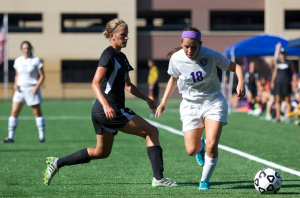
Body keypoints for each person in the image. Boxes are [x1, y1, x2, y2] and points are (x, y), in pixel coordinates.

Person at [43, 18, 179, 187]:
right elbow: (94, 82)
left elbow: (128, 85)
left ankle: (58, 162)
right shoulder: (108, 54)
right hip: (110, 109)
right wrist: (107, 105)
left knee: (101, 152)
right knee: (152, 132)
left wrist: (147, 99)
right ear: (111, 36)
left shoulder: (122, 57)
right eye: (123, 35)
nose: (127, 37)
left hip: (102, 112)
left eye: (127, 34)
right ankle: (159, 179)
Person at [155, 27, 245, 190]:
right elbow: (173, 79)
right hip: (190, 105)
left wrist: (241, 83)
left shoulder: (210, 55)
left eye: (194, 47)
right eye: (186, 46)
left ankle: (204, 180)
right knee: (191, 150)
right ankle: (200, 147)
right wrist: (163, 102)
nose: (189, 50)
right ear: (181, 43)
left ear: (200, 45)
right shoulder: (176, 59)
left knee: (212, 144)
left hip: (213, 102)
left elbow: (236, 67)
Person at [1, 41, 45, 143]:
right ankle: (10, 137)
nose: (26, 50)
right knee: (14, 112)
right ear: (21, 49)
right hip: (20, 90)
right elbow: (17, 75)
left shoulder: (36, 60)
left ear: (31, 49)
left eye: (28, 48)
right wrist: (15, 83)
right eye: (24, 48)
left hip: (32, 89)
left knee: (37, 112)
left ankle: (41, 137)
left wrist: (36, 88)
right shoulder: (18, 61)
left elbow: (42, 76)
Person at [271, 43, 298, 123]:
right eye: (281, 54)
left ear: (285, 54)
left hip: (286, 83)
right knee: (278, 101)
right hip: (278, 83)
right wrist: (272, 82)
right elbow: (275, 72)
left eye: (283, 53)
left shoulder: (289, 63)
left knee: (287, 101)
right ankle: (277, 117)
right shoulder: (277, 62)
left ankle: (288, 117)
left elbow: (294, 73)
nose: (282, 55)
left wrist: (294, 82)